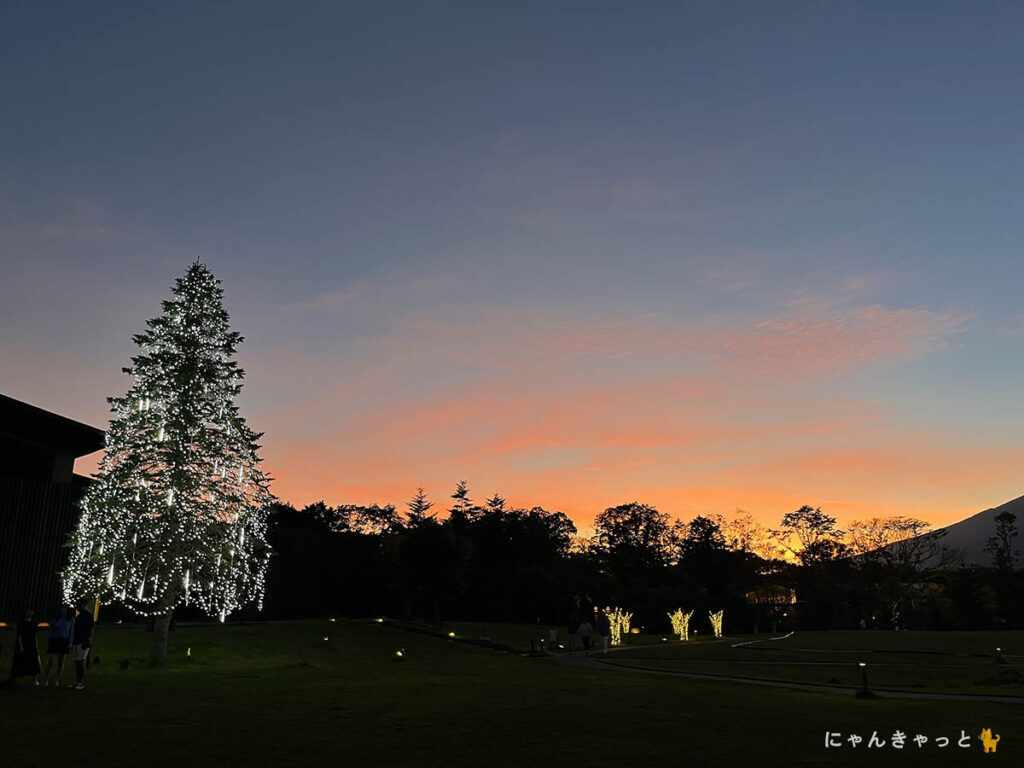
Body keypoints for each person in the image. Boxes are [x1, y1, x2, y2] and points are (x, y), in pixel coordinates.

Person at [8, 607, 41, 685]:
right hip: (23, 643)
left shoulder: (34, 622)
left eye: (31, 611)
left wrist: (36, 645)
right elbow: (19, 635)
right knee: (19, 660)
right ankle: (13, 677)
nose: (29, 613)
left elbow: (35, 635)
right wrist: (21, 646)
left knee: (34, 661)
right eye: (28, 611)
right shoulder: (21, 623)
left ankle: (35, 679)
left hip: (31, 644)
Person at [43, 606, 75, 686]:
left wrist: (70, 643)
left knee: (61, 662)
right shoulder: (56, 619)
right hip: (55, 640)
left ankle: (57, 680)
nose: (64, 610)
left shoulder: (70, 620)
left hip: (64, 640)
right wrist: (49, 639)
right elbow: (51, 630)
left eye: (65, 608)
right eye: (62, 608)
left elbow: (71, 631)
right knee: (51, 661)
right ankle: (46, 679)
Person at [69, 601, 95, 690]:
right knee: (77, 662)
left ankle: (80, 682)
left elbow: (90, 628)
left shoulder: (86, 616)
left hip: (82, 641)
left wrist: (87, 639)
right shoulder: (80, 616)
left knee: (80, 661)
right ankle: (78, 681)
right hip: (77, 640)